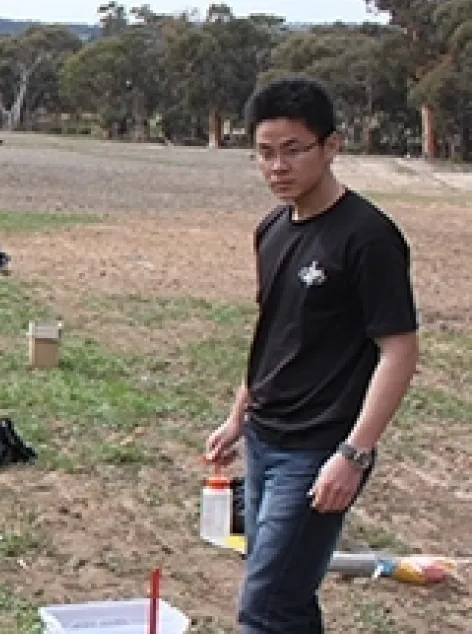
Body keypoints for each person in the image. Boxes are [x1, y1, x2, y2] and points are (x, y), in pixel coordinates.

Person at [203, 75, 420, 634]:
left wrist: (354, 453)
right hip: (265, 438)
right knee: (286, 597)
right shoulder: (272, 229)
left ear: (331, 147)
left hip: (319, 448)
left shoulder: (368, 238)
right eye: (265, 153)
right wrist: (237, 417)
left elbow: (399, 349)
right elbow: (275, 334)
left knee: (266, 605)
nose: (278, 167)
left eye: (293, 150)